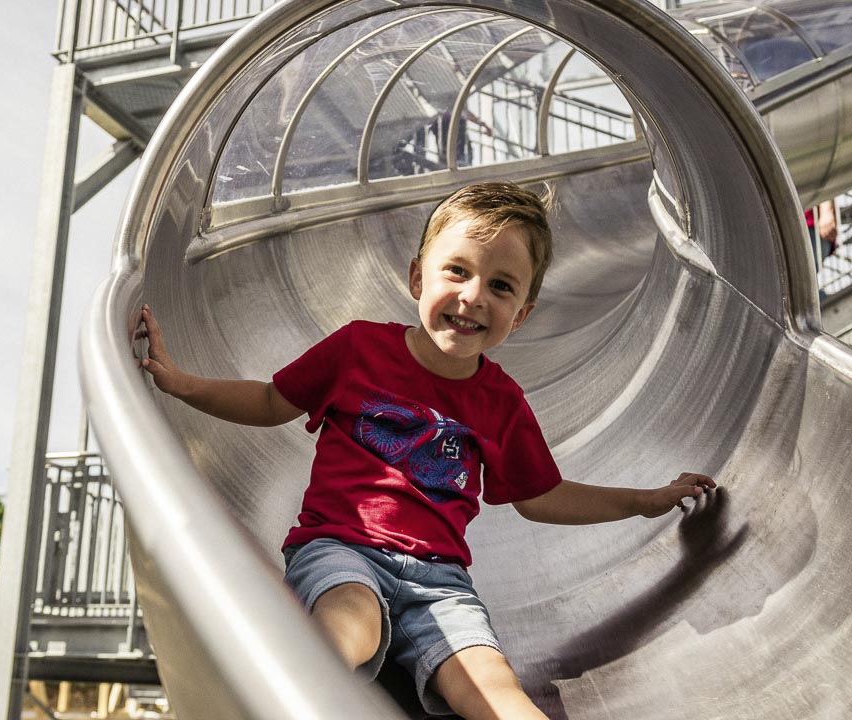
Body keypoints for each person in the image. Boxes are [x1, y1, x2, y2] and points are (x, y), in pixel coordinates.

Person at [134, 182, 715, 720]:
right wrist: (181, 383)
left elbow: (542, 496)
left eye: (501, 286)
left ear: (522, 314)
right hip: (342, 547)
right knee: (350, 621)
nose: (473, 296)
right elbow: (269, 401)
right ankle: (284, 697)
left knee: (492, 685)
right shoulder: (358, 348)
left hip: (440, 581)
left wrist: (645, 500)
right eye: (457, 271)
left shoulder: (500, 402)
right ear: (418, 278)